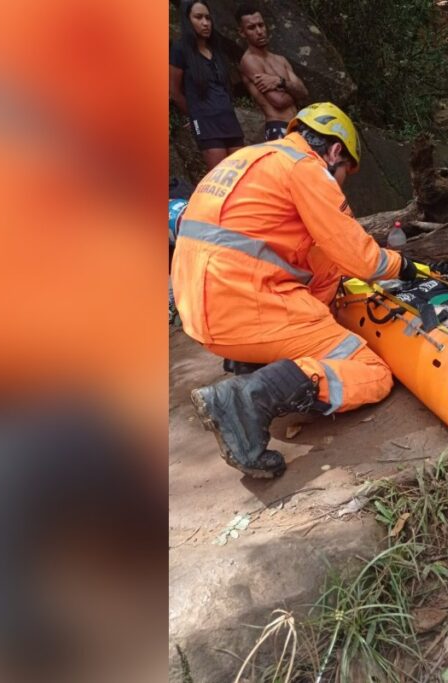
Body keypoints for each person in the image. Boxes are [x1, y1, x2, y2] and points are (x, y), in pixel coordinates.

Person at [171, 103, 419, 478]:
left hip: (199, 311)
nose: (339, 183)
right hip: (239, 308)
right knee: (373, 372)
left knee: (314, 278)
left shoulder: (250, 159)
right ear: (335, 152)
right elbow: (362, 260)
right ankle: (246, 400)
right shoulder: (307, 169)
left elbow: (317, 257)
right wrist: (404, 266)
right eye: (343, 175)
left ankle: (255, 363)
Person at [170, 0, 246, 170]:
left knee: (242, 175)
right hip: (206, 123)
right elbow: (174, 90)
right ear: (187, 20)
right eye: (198, 17)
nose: (205, 23)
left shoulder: (215, 50)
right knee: (222, 177)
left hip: (229, 119)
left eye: (208, 18)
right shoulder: (180, 49)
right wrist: (195, 115)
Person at [234, 2, 309, 141]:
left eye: (261, 25)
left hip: (297, 126)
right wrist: (294, 90)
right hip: (278, 127)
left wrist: (280, 82)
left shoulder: (281, 60)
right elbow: (278, 101)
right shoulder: (249, 61)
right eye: (251, 27)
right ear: (242, 32)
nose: (259, 31)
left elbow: (304, 92)